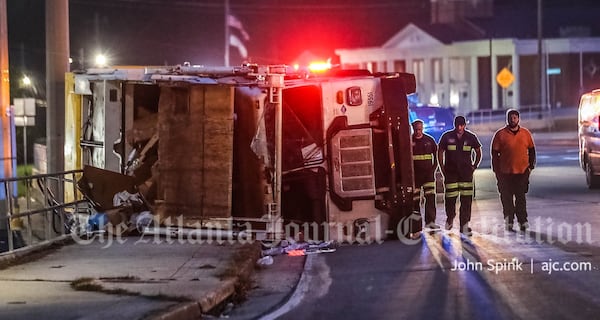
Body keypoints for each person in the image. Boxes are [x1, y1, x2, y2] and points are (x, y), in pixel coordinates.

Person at [491, 109, 536, 232]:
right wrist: (497, 171)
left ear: (518, 119)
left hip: (521, 172)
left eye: (515, 117)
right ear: (507, 119)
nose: (513, 119)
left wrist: (531, 166)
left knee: (521, 198)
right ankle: (509, 221)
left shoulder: (525, 133)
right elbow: (494, 154)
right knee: (507, 199)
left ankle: (523, 221)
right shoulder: (500, 135)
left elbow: (532, 150)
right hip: (505, 173)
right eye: (511, 117)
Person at [437, 115, 482, 236]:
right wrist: (442, 168)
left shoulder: (471, 137)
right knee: (450, 198)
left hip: (466, 174)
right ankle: (450, 217)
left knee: (466, 200)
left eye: (461, 125)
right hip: (451, 173)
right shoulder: (447, 137)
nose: (459, 127)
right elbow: (440, 152)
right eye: (457, 125)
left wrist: (474, 166)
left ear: (465, 125)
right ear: (454, 125)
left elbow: (478, 151)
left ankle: (464, 225)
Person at [411, 119, 440, 234]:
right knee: (415, 201)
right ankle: (416, 225)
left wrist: (434, 169)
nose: (418, 131)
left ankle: (431, 222)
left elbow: (437, 155)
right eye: (416, 129)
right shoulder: (409, 141)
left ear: (422, 128)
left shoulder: (429, 140)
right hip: (415, 177)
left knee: (430, 198)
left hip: (428, 175)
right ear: (413, 128)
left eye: (420, 129)